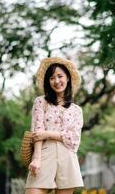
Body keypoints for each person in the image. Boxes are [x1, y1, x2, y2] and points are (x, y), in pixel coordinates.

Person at [25, 57, 84, 194]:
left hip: (67, 158)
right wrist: (36, 158)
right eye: (52, 78)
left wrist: (48, 134)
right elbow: (37, 131)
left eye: (60, 76)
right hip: (44, 154)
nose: (57, 81)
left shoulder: (76, 110)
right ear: (48, 82)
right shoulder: (41, 102)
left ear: (68, 78)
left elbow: (74, 139)